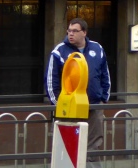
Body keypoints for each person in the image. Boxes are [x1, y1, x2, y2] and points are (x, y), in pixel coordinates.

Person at [45, 18, 111, 167]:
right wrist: (59, 103)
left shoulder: (97, 48)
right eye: (69, 31)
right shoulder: (59, 51)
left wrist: (103, 98)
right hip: (70, 108)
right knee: (69, 144)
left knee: (93, 146)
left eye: (75, 31)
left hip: (93, 106)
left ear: (84, 33)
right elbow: (51, 80)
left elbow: (104, 74)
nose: (71, 34)